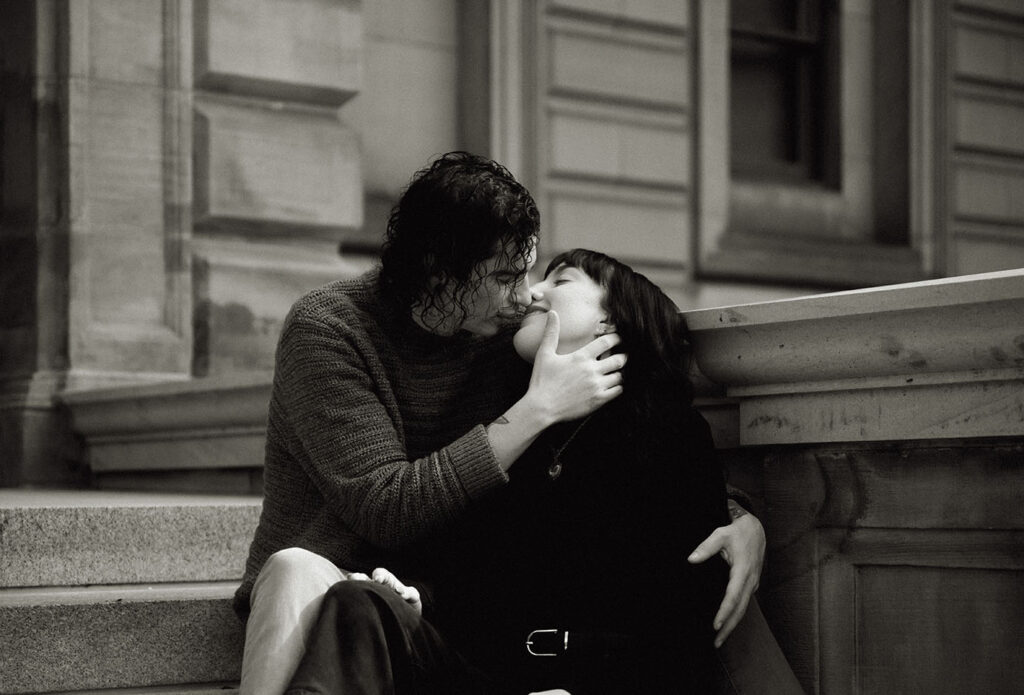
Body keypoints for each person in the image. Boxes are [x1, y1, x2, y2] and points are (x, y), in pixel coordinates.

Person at [235, 152, 769, 694]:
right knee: (302, 572)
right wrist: (536, 410)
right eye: (507, 276)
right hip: (329, 586)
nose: (525, 294)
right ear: (440, 272)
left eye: (533, 271)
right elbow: (386, 508)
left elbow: (629, 451)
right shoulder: (328, 330)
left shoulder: (506, 332)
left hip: (434, 610)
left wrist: (739, 515)